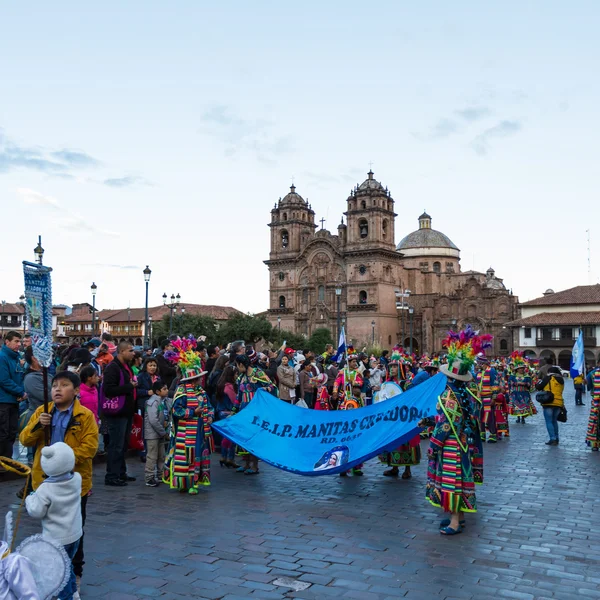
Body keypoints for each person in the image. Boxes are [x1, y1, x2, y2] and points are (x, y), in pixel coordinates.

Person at [20, 370, 98, 596]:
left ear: (75, 391)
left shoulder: (85, 416)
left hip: (74, 484)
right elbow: (25, 439)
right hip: (44, 483)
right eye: (55, 385)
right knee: (48, 532)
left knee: (74, 531)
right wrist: (37, 425)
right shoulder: (41, 412)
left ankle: (74, 576)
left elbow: (89, 448)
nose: (57, 389)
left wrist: (61, 462)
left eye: (64, 385)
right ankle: (52, 575)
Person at [423, 327, 491, 535]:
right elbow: (454, 419)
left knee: (451, 481)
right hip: (464, 442)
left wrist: (433, 445)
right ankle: (459, 517)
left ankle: (454, 521)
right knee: (461, 479)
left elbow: (445, 424)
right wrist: (429, 421)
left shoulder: (449, 397)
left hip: (451, 445)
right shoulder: (467, 394)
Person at [25, 442, 83, 600]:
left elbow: (36, 511)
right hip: (75, 534)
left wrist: (30, 499)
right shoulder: (77, 479)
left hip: (56, 539)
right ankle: (73, 592)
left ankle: (67, 597)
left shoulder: (46, 489)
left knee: (60, 570)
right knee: (68, 564)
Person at [163, 336, 214, 493]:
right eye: (198, 378)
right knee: (186, 456)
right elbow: (176, 410)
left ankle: (194, 483)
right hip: (186, 432)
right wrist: (193, 412)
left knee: (197, 454)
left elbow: (209, 406)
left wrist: (210, 414)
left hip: (200, 430)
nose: (200, 380)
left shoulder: (201, 392)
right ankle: (184, 482)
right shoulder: (182, 391)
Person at [379, 350, 420, 479]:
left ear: (400, 368)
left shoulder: (406, 383)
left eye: (395, 366)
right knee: (392, 441)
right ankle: (394, 467)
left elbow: (413, 398)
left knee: (405, 442)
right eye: (390, 367)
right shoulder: (386, 384)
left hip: (403, 417)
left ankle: (407, 469)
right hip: (391, 418)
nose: (392, 369)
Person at [102, 342, 137, 486]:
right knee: (115, 445)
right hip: (117, 412)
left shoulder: (125, 367)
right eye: (131, 350)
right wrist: (130, 386)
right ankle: (112, 475)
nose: (133, 353)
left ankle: (121, 472)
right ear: (121, 351)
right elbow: (108, 390)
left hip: (126, 411)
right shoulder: (113, 368)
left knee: (123, 445)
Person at [235, 354, 276, 474]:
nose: (237, 368)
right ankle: (246, 464)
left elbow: (272, 386)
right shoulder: (241, 377)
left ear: (242, 364)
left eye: (238, 365)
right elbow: (239, 395)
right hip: (244, 410)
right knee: (244, 438)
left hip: (256, 411)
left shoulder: (258, 373)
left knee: (254, 438)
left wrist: (263, 389)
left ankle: (255, 466)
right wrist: (234, 409)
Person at [0, 331, 26, 459]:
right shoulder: (2, 357)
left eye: (20, 342)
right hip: (3, 401)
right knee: (3, 432)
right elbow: (4, 380)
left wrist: (21, 392)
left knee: (11, 432)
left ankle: (7, 460)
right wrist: (20, 392)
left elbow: (18, 377)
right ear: (7, 342)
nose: (19, 344)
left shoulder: (15, 358)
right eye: (16, 341)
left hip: (13, 400)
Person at [144, 380, 168, 487]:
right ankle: (149, 477)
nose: (167, 391)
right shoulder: (153, 402)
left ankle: (160, 474)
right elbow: (153, 420)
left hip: (159, 433)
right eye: (164, 389)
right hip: (153, 434)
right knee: (152, 456)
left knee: (161, 455)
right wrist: (163, 432)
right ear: (158, 391)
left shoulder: (161, 401)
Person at [215, 365, 240, 468]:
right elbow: (235, 400)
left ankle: (224, 457)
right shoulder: (229, 386)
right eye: (236, 374)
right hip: (228, 412)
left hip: (221, 411)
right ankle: (229, 458)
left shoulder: (220, 384)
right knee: (231, 436)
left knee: (226, 435)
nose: (237, 376)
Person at [536, 366, 565, 446]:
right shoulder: (561, 380)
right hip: (559, 402)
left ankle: (552, 439)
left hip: (548, 401)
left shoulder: (548, 378)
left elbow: (538, 386)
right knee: (554, 421)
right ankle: (557, 437)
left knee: (549, 421)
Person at [507, 353, 536, 423]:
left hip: (524, 393)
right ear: (517, 369)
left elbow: (530, 384)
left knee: (524, 405)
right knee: (517, 406)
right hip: (515, 393)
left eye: (522, 368)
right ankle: (518, 417)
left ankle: (523, 418)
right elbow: (510, 383)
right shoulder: (513, 376)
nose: (521, 370)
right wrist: (516, 383)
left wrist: (525, 384)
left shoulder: (527, 376)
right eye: (520, 369)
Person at [586, 358, 600, 451]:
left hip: (596, 403)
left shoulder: (592, 373)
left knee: (595, 423)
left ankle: (595, 444)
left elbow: (589, 386)